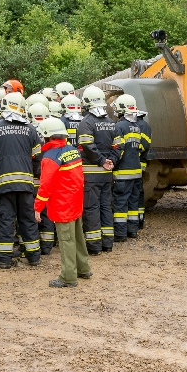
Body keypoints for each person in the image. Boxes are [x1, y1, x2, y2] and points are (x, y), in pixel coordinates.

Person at [0, 92, 42, 268]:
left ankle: (3, 258)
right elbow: (37, 157)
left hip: (3, 184)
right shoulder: (31, 129)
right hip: (26, 184)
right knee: (27, 219)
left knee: (5, 220)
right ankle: (33, 256)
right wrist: (31, 174)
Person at [34, 118, 90, 288]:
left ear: (47, 136)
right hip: (75, 201)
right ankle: (83, 268)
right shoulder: (73, 151)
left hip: (62, 204)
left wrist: (38, 207)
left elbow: (45, 185)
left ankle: (68, 277)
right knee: (78, 237)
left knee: (66, 241)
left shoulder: (50, 157)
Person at [76, 86, 119, 255]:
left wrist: (101, 161)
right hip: (106, 174)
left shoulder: (86, 123)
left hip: (91, 174)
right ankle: (107, 243)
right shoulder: (111, 122)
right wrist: (111, 161)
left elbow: (87, 145)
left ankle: (94, 245)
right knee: (106, 206)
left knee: (91, 207)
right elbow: (118, 145)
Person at [111, 94, 148, 242]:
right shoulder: (136, 127)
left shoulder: (119, 126)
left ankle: (120, 234)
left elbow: (118, 150)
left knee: (120, 203)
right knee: (133, 202)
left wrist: (111, 163)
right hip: (136, 171)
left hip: (123, 172)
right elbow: (139, 148)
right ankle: (132, 230)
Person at [27, 102, 55, 255]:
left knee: (31, 211)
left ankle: (32, 244)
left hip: (32, 179)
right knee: (46, 211)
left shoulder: (28, 131)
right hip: (48, 179)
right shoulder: (51, 132)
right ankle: (47, 245)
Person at [135, 107, 153, 230]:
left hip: (138, 163)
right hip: (137, 163)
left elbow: (143, 145)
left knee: (136, 192)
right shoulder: (143, 125)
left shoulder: (142, 126)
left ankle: (139, 219)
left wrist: (130, 151)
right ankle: (139, 218)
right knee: (138, 192)